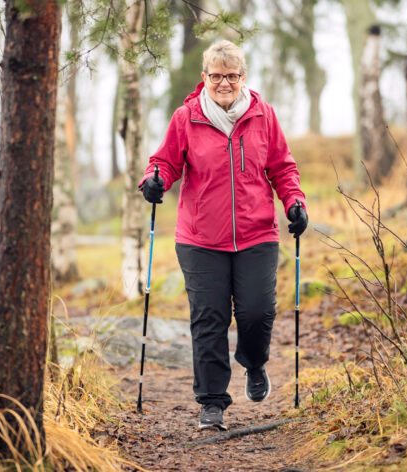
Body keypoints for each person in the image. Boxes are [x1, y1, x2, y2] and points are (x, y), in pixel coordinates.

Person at [138, 40, 308, 431]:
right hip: (200, 238)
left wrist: (294, 201)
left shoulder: (263, 115)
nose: (224, 83)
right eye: (216, 76)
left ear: (243, 77)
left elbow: (282, 167)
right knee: (209, 317)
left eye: (232, 75)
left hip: (257, 233)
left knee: (257, 311)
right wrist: (154, 180)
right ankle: (212, 403)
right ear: (205, 78)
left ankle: (254, 362)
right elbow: (164, 162)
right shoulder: (187, 117)